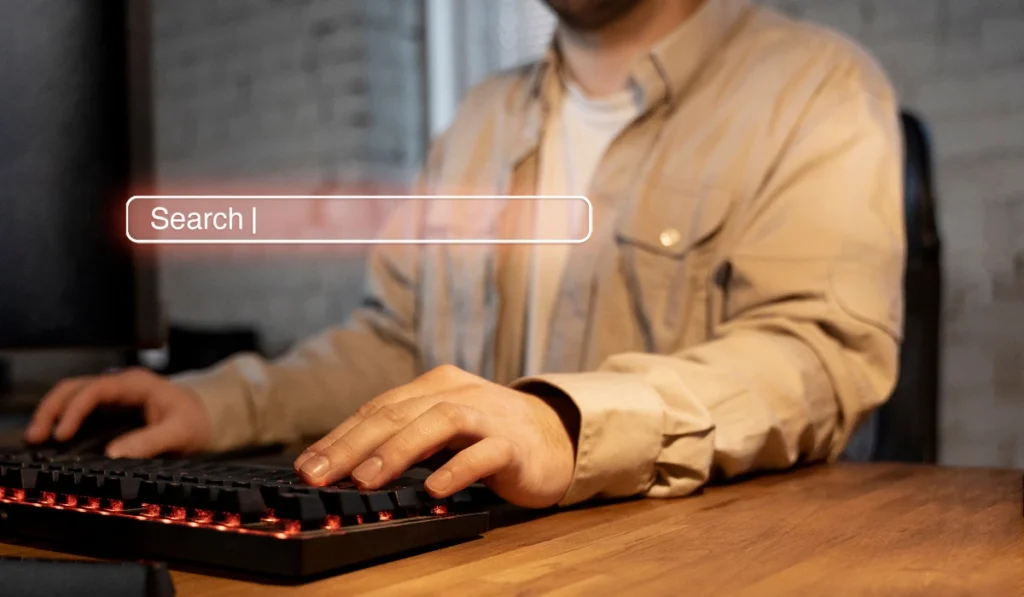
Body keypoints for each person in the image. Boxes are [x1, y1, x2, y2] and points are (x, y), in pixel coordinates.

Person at [25, 0, 904, 509]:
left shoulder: (817, 86)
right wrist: (214, 406)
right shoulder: (481, 119)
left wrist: (563, 420)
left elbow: (817, 355)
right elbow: (400, 344)